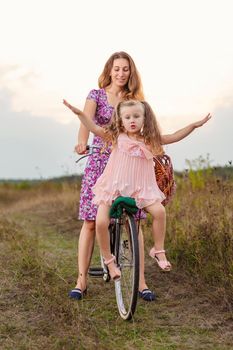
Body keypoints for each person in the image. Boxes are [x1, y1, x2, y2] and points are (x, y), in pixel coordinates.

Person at [63, 98, 211, 282]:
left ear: (144, 118)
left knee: (160, 212)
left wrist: (194, 126)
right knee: (101, 222)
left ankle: (158, 250)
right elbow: (94, 128)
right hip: (114, 188)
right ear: (120, 120)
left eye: (136, 116)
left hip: (141, 190)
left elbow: (173, 136)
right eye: (127, 117)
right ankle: (109, 260)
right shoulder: (116, 137)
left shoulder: (149, 140)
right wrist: (80, 114)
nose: (132, 120)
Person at [70, 52, 155, 302]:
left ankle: (140, 282)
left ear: (131, 72)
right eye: (116, 69)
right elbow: (86, 122)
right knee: (91, 221)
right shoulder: (95, 95)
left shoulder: (133, 99)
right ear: (109, 70)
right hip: (99, 160)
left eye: (125, 69)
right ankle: (82, 280)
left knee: (134, 219)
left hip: (127, 162)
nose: (121, 73)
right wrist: (81, 142)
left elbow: (145, 126)